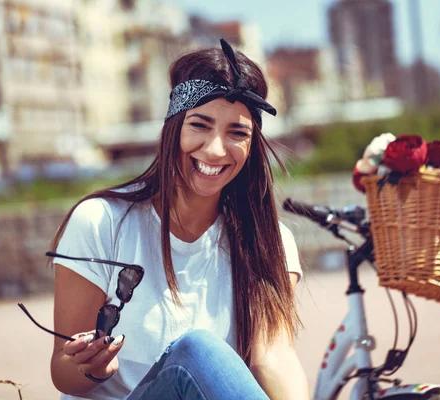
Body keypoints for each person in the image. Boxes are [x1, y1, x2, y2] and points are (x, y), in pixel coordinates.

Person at [48, 39, 310, 400]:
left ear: (251, 147)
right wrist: (91, 369)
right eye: (200, 125)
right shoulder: (101, 221)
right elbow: (63, 372)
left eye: (237, 133)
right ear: (174, 127)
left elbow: (275, 357)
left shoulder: (271, 242)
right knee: (197, 352)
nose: (216, 149)